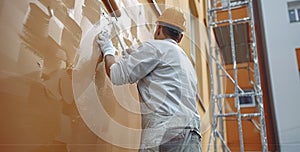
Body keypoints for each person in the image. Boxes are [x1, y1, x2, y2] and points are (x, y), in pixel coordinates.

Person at [97, 7, 201, 152]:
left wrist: (108, 49)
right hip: (192, 134)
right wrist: (138, 60)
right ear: (180, 38)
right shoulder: (186, 62)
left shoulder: (155, 47)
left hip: (165, 131)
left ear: (158, 29)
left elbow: (116, 74)